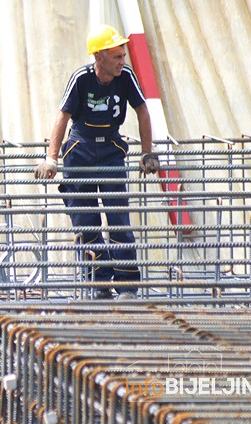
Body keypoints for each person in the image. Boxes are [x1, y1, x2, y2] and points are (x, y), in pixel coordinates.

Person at [35, 24, 159, 301]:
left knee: (118, 219)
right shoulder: (81, 78)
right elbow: (62, 117)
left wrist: (147, 152)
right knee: (85, 221)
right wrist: (51, 159)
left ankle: (127, 285)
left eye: (123, 55)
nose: (122, 61)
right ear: (99, 57)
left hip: (111, 149)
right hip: (80, 149)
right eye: (117, 56)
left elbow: (142, 111)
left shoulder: (125, 76)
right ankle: (99, 283)